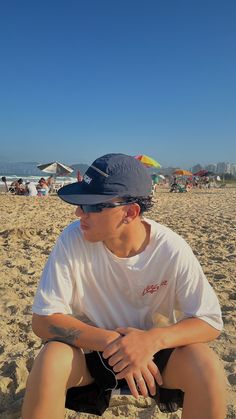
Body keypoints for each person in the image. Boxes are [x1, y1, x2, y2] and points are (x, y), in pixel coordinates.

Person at [22, 153, 226, 419]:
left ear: (130, 212)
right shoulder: (73, 239)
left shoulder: (170, 249)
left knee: (206, 366)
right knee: (51, 360)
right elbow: (43, 321)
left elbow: (209, 321)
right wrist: (113, 342)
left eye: (93, 206)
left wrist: (151, 340)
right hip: (92, 350)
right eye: (80, 203)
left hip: (153, 356)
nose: (78, 212)